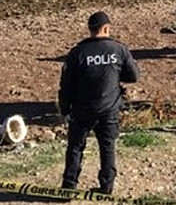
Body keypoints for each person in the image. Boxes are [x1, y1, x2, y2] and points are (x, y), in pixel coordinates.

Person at [58, 11, 139, 194]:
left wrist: (64, 109)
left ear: (90, 29)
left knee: (75, 148)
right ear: (106, 28)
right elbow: (134, 76)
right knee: (107, 147)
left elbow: (66, 85)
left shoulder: (78, 52)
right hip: (109, 109)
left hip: (82, 109)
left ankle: (69, 187)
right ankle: (106, 186)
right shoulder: (119, 49)